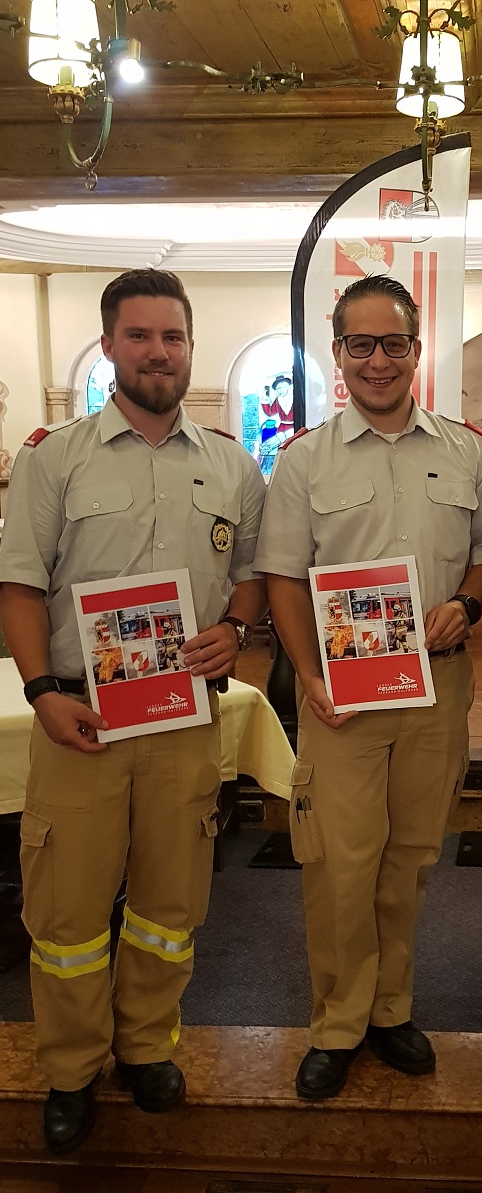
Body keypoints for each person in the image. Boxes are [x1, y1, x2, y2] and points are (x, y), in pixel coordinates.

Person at [0, 269, 267, 1154]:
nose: (159, 351)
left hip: (182, 717)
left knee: (169, 898)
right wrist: (42, 692)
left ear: (190, 346)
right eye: (141, 335)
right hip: (82, 718)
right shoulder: (55, 457)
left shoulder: (233, 465)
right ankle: (72, 1066)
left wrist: (236, 628)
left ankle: (148, 1043)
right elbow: (20, 585)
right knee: (67, 909)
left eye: (173, 336)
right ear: (110, 343)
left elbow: (252, 576)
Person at [255, 274, 482, 1100]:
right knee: (339, 862)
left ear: (416, 348)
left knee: (410, 856)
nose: (378, 359)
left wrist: (468, 605)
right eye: (360, 343)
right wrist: (308, 674)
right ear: (337, 353)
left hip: (436, 689)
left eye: (393, 342)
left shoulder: (466, 452)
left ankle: (391, 1008)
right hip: (345, 695)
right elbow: (284, 578)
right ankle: (338, 1021)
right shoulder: (304, 460)